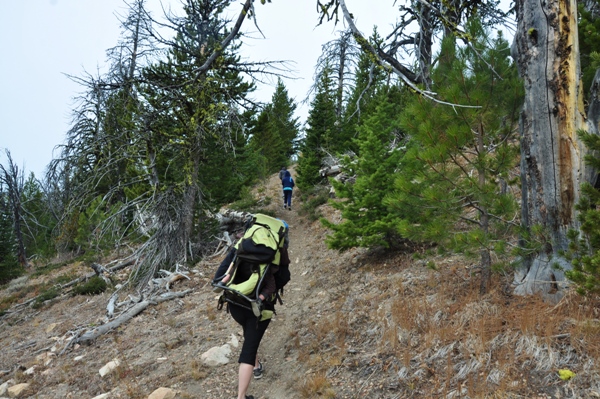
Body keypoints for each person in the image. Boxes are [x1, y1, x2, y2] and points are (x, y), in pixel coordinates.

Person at [213, 222, 291, 399]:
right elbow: (284, 277)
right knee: (248, 350)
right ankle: (241, 396)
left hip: (234, 302)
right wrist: (265, 293)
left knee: (248, 334)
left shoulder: (245, 244)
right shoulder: (277, 252)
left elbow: (227, 265)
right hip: (257, 310)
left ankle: (256, 366)